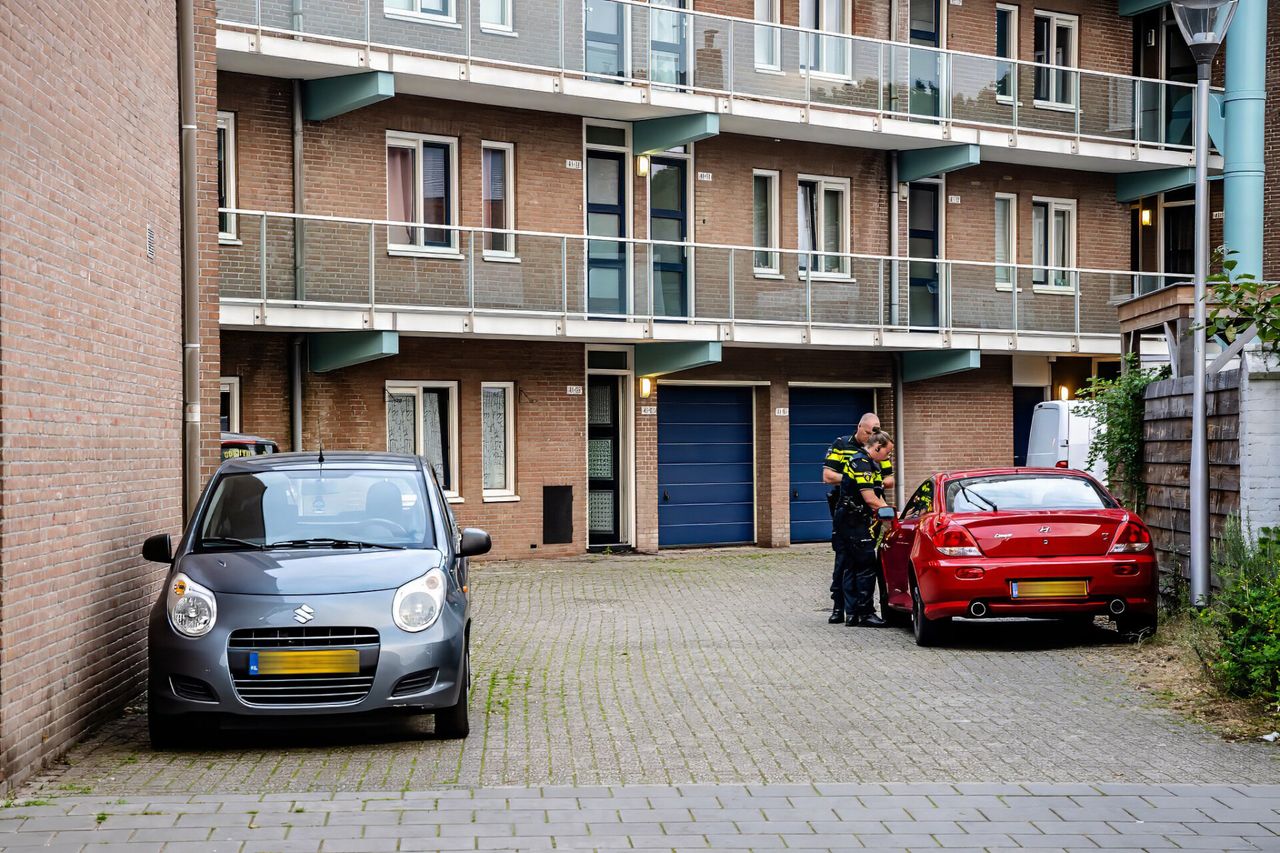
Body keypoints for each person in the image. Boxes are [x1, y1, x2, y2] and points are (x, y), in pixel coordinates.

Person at [822, 413, 895, 623]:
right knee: (861, 564)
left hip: (855, 517)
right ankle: (860, 612)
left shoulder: (870, 462)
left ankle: (853, 613)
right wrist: (891, 514)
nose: (888, 456)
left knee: (853, 565)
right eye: (887, 452)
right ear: (877, 447)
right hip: (853, 519)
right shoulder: (859, 460)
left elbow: (883, 485)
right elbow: (870, 497)